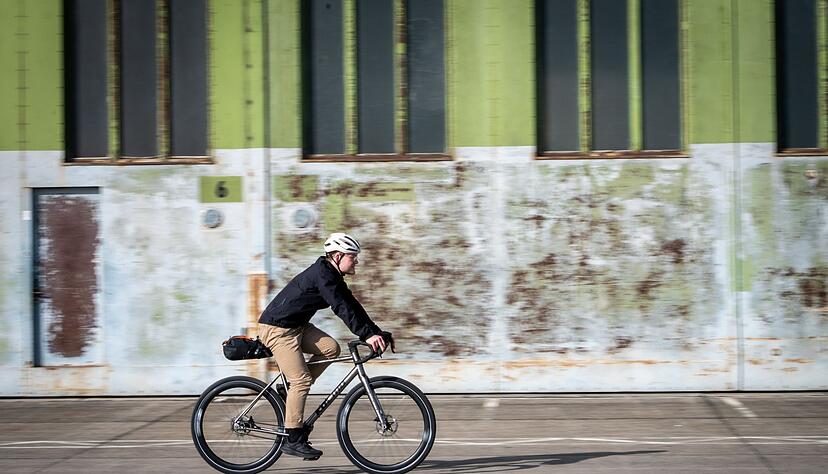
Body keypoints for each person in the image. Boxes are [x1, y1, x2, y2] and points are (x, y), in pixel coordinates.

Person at [257, 232, 393, 460]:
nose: (356, 260)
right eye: (353, 256)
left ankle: (289, 392)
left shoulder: (331, 275)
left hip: (296, 327)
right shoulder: (324, 275)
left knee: (331, 348)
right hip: (278, 329)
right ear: (338, 256)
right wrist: (367, 334)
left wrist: (374, 332)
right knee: (301, 380)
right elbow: (341, 307)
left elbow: (351, 305)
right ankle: (293, 438)